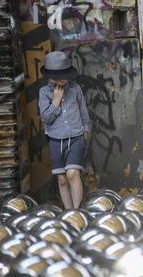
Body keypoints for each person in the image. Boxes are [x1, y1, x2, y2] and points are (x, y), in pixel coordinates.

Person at [38, 51, 91, 209]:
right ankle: (68, 214)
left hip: (76, 137)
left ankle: (78, 212)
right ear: (49, 75)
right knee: (62, 179)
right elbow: (45, 118)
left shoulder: (75, 89)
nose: (62, 80)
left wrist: (86, 132)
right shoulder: (44, 92)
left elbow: (83, 111)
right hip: (55, 140)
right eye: (57, 76)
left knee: (73, 174)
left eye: (64, 75)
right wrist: (55, 101)